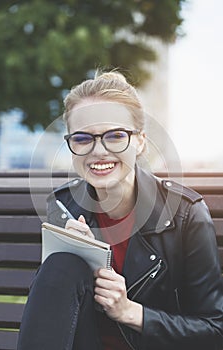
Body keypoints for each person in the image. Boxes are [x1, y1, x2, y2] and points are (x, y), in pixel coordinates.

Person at [17, 71, 223, 350]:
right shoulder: (65, 206)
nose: (98, 151)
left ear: (140, 141)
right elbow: (50, 309)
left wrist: (129, 311)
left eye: (115, 136)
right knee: (62, 266)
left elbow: (215, 331)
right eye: (82, 138)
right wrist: (79, 260)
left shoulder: (185, 215)